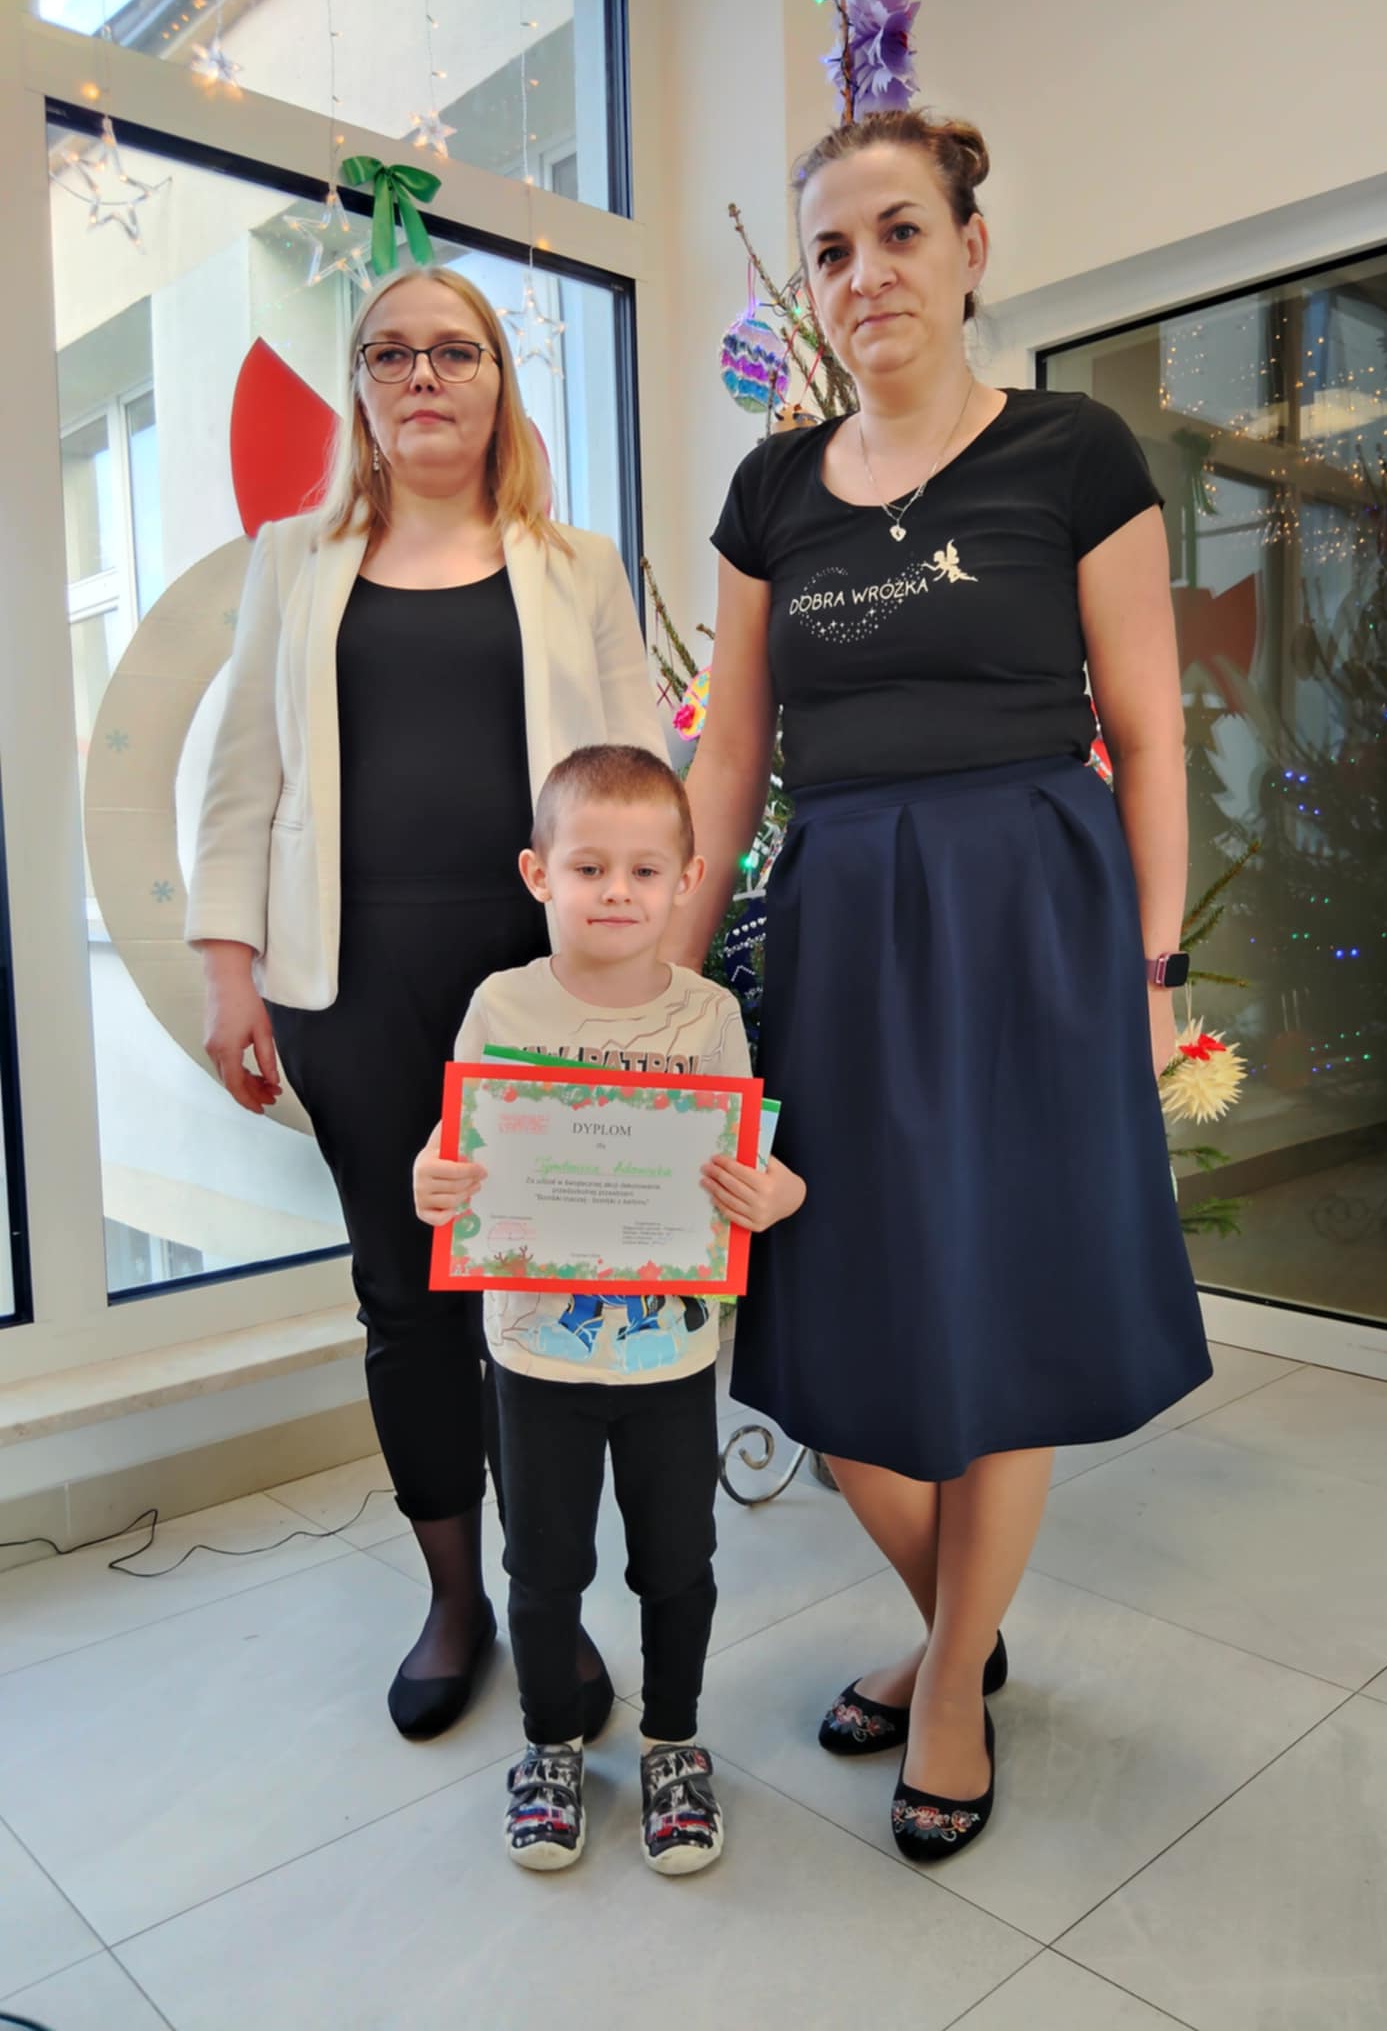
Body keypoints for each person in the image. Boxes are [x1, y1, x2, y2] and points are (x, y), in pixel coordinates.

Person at [674, 109, 1212, 1862]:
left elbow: (1148, 733)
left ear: (970, 250)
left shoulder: (1072, 453)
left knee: (1005, 1299)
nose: (866, 274)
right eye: (833, 249)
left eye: (900, 233)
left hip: (1033, 915)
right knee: (833, 1317)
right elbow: (729, 759)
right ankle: (961, 1628)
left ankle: (953, 1683)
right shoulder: (770, 495)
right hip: (839, 928)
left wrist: (1154, 967)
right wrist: (666, 990)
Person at [185, 266, 667, 1742]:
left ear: (498, 380)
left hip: (539, 983)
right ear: (361, 387)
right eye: (389, 354)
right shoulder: (294, 560)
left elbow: (641, 773)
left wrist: (649, 971)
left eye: (453, 352)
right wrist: (227, 966)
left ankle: (547, 1603)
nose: (422, 378)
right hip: (354, 982)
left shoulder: (576, 564)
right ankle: (455, 1599)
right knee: (406, 1297)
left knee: (543, 1292)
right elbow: (245, 775)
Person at [412, 745, 805, 1874]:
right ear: (539, 873)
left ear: (688, 879)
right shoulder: (502, 1004)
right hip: (534, 1353)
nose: (617, 892)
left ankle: (674, 1740)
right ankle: (547, 1748)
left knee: (678, 1561)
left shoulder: (709, 1015)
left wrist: (775, 1195)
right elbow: (457, 1143)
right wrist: (431, 1180)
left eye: (644, 869)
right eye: (589, 867)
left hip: (669, 1357)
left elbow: (741, 1156)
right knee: (543, 1567)